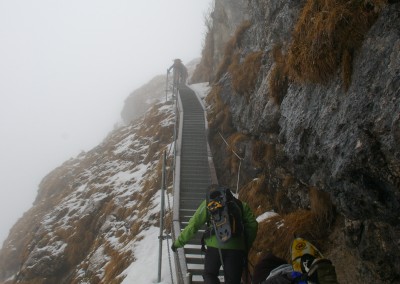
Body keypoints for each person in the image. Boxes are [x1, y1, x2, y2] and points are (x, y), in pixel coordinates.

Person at [171, 184, 258, 284]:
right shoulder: (240, 205)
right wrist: (245, 246)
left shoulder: (209, 204)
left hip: (215, 248)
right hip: (236, 249)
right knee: (233, 281)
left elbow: (193, 225)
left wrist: (178, 243)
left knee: (209, 274)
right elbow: (253, 225)